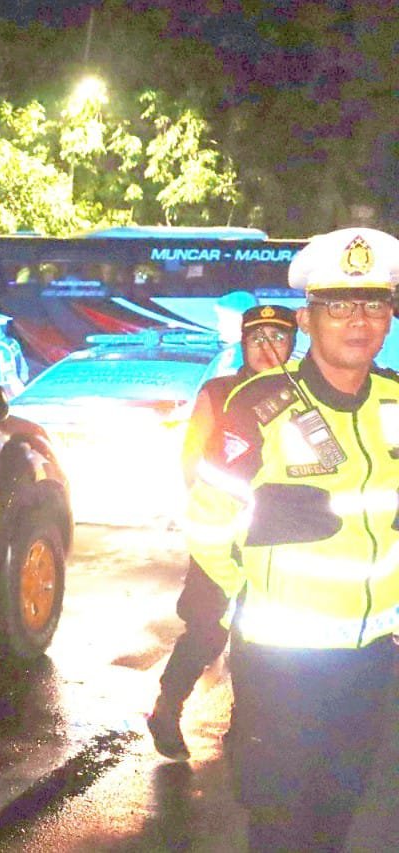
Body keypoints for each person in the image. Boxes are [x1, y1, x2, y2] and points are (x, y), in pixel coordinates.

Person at [184, 227, 399, 852]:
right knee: (281, 824)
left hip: (371, 657)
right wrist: (249, 586)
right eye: (339, 305)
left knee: (340, 813)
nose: (358, 320)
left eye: (374, 304)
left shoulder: (395, 400)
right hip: (282, 662)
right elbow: (207, 523)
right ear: (307, 319)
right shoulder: (258, 406)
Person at [147, 303, 296, 761]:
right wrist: (207, 512)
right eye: (257, 338)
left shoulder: (303, 391)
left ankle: (245, 723)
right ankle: (168, 708)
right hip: (220, 536)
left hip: (278, 540)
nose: (268, 347)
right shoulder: (219, 391)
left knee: (267, 635)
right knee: (207, 629)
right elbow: (192, 458)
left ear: (293, 343)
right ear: (243, 344)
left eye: (278, 337)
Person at [0, 309, 29, 399]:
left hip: (8, 391)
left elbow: (10, 374)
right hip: (17, 385)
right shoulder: (11, 342)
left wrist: (21, 397)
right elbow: (24, 367)